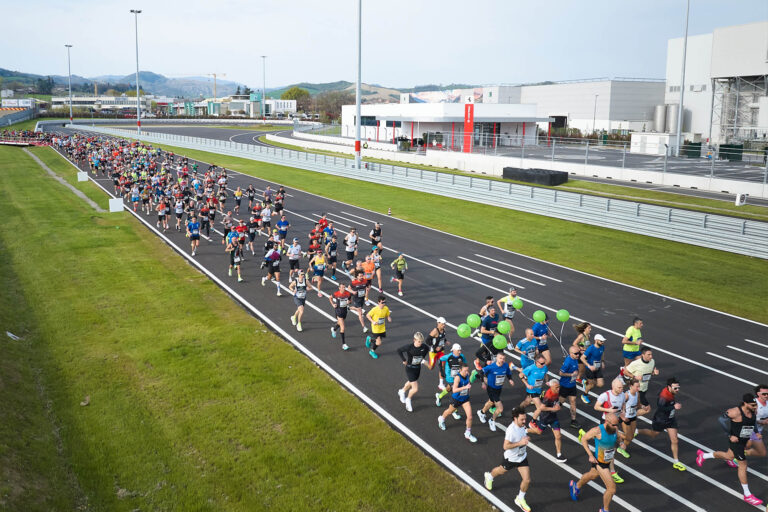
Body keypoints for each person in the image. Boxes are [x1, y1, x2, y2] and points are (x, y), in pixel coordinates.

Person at [696, 393, 764, 506]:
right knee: (743, 465)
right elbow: (721, 420)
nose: (755, 407)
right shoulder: (734, 412)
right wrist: (729, 435)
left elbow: (752, 422)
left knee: (729, 456)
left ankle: (704, 455)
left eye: (755, 405)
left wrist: (756, 432)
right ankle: (747, 495)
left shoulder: (753, 411)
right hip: (736, 442)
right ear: (745, 403)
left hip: (743, 441)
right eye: (752, 405)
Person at [569, 413, 623, 512]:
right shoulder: (597, 430)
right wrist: (590, 455)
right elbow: (584, 439)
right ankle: (604, 510)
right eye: (614, 425)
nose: (616, 427)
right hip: (600, 462)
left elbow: (618, 437)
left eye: (617, 425)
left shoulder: (614, 428)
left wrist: (621, 443)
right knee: (612, 489)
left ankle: (575, 486)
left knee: (592, 475)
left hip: (608, 460)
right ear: (607, 422)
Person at [484, 408, 534, 512]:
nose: (525, 421)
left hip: (522, 457)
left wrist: (526, 437)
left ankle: (520, 499)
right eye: (522, 419)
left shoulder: (521, 425)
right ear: (515, 418)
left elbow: (522, 433)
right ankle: (489, 476)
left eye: (525, 419)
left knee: (527, 480)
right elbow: (505, 446)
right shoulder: (511, 430)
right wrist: (520, 443)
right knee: (501, 471)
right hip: (511, 459)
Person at [637, 377, 686, 471]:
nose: (677, 390)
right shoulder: (664, 396)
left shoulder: (670, 392)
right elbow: (660, 408)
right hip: (660, 420)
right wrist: (673, 406)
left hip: (671, 420)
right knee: (653, 434)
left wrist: (672, 407)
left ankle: (676, 462)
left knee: (675, 440)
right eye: (675, 388)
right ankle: (638, 431)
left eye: (678, 387)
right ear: (669, 387)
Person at [592, 378, 628, 484]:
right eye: (619, 387)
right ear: (613, 387)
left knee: (610, 447)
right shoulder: (605, 395)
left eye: (622, 387)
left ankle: (606, 469)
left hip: (615, 422)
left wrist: (623, 412)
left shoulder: (622, 395)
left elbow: (623, 404)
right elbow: (596, 407)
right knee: (610, 448)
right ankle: (612, 472)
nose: (622, 389)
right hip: (606, 422)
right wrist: (609, 410)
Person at [528, 380, 568, 462]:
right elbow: (541, 408)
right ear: (552, 387)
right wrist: (553, 408)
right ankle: (525, 430)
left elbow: (557, 401)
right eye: (557, 387)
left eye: (559, 386)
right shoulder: (548, 395)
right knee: (539, 432)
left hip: (553, 417)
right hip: (545, 417)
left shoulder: (556, 391)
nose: (558, 388)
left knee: (558, 436)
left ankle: (559, 455)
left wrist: (558, 405)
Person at [437, 364, 477, 443]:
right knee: (449, 411)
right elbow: (454, 390)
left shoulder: (467, 375)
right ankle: (441, 419)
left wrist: (468, 389)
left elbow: (468, 384)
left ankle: (467, 433)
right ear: (460, 370)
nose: (466, 372)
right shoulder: (457, 378)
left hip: (465, 398)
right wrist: (465, 388)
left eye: (467, 370)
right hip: (456, 399)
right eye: (465, 370)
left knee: (470, 417)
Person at [476, 352, 516, 432]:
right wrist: (483, 382)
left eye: (503, 358)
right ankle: (492, 420)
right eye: (500, 358)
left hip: (499, 388)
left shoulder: (505, 365)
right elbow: (480, 373)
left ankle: (481, 412)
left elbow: (508, 373)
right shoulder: (491, 367)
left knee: (491, 402)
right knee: (500, 409)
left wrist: (510, 379)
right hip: (491, 388)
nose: (502, 360)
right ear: (497, 358)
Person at [397, 332, 430, 412]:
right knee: (415, 388)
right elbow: (399, 350)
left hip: (418, 368)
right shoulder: (409, 347)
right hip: (410, 368)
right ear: (414, 340)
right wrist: (404, 360)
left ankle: (402, 391)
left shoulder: (424, 347)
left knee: (410, 382)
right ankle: (408, 400)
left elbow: (428, 351)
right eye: (419, 341)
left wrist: (424, 360)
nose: (420, 343)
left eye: (421, 341)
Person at [617, 378, 649, 459]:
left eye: (639, 386)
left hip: (633, 417)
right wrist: (623, 415)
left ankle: (621, 449)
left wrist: (642, 407)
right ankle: (615, 433)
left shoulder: (637, 394)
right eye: (637, 387)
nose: (638, 388)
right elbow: (619, 406)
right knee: (629, 437)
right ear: (631, 386)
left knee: (631, 436)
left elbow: (638, 404)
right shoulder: (626, 395)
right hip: (626, 418)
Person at [436, 344, 467, 410]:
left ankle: (439, 396)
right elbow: (440, 360)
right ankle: (454, 411)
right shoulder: (448, 356)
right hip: (450, 377)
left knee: (449, 389)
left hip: (458, 377)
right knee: (456, 392)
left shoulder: (462, 356)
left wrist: (465, 373)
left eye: (460, 350)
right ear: (454, 351)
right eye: (458, 350)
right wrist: (442, 371)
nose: (460, 352)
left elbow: (465, 364)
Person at [558, 346, 582, 429]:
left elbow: (576, 369)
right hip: (565, 385)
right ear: (571, 353)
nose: (578, 355)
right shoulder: (568, 362)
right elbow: (560, 373)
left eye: (578, 353)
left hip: (572, 385)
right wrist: (571, 375)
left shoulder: (575, 359)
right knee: (561, 402)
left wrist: (577, 374)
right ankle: (550, 411)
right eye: (576, 354)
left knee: (573, 401)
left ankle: (573, 420)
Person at [581, 334, 607, 404]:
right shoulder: (591, 348)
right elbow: (582, 358)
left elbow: (602, 354)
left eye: (603, 341)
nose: (602, 342)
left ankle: (586, 382)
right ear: (596, 340)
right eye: (601, 341)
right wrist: (589, 366)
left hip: (597, 368)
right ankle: (584, 395)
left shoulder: (602, 347)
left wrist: (603, 362)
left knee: (600, 384)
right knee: (591, 385)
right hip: (590, 369)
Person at [474, 305, 500, 373]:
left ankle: (488, 366)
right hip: (486, 338)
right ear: (489, 312)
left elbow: (496, 325)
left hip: (493, 338)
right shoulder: (486, 320)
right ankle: (481, 365)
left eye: (494, 310)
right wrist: (491, 332)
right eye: (492, 311)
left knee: (491, 353)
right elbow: (482, 330)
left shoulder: (497, 316)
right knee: (485, 353)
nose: (494, 312)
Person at [365, 295, 391, 359]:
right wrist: (373, 321)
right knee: (379, 342)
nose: (383, 304)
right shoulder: (374, 309)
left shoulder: (386, 308)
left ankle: (370, 339)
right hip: (375, 328)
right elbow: (367, 315)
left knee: (378, 342)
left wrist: (389, 318)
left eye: (384, 302)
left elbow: (387, 314)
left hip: (382, 328)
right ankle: (372, 351)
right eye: (382, 303)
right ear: (378, 302)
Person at [426, 317, 448, 389]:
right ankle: (423, 361)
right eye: (442, 324)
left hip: (441, 351)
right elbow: (427, 341)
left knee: (442, 366)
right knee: (431, 367)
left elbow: (443, 337)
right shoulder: (435, 331)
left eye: (444, 324)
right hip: (433, 352)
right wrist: (435, 347)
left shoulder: (444, 330)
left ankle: (441, 384)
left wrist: (445, 341)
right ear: (438, 323)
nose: (444, 325)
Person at [329, 283, 352, 351]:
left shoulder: (348, 294)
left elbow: (350, 300)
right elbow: (330, 298)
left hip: (344, 311)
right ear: (339, 288)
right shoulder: (336, 293)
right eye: (342, 287)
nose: (343, 289)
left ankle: (334, 329)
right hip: (338, 311)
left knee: (339, 323)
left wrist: (349, 302)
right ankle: (344, 344)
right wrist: (333, 304)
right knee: (342, 327)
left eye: (344, 287)